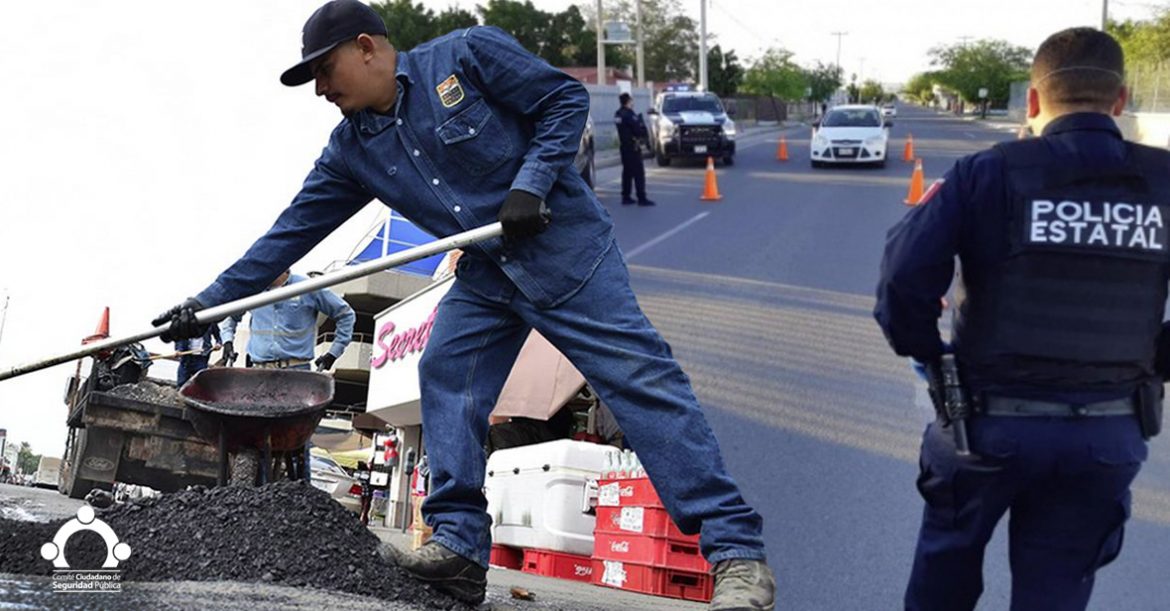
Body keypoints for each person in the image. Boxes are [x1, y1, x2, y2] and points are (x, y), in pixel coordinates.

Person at [151, 2, 773, 608]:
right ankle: (459, 550)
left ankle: (736, 554)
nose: (318, 88)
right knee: (446, 373)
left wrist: (531, 184)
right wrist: (205, 303)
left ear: (366, 48)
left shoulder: (467, 56)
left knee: (642, 384)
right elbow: (286, 237)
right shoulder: (351, 151)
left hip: (565, 254)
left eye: (323, 70)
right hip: (486, 276)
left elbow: (563, 100)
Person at [874, 28, 1163, 611]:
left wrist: (931, 357)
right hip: (1107, 430)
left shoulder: (987, 172)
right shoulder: (1163, 182)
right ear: (1121, 100)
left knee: (945, 570)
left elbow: (902, 278)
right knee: (1056, 588)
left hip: (984, 428)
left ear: (1031, 102)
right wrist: (1153, 363)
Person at [218, 270, 355, 372]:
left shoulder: (308, 287)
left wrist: (333, 353)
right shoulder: (254, 290)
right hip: (258, 372)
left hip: (296, 372)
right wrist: (227, 342)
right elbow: (231, 316)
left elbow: (346, 314)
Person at [614, 92, 654, 206]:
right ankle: (642, 198)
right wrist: (642, 129)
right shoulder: (629, 115)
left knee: (627, 172)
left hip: (624, 147)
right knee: (638, 173)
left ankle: (625, 196)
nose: (633, 102)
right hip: (633, 147)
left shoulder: (618, 114)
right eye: (631, 100)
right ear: (628, 101)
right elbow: (638, 130)